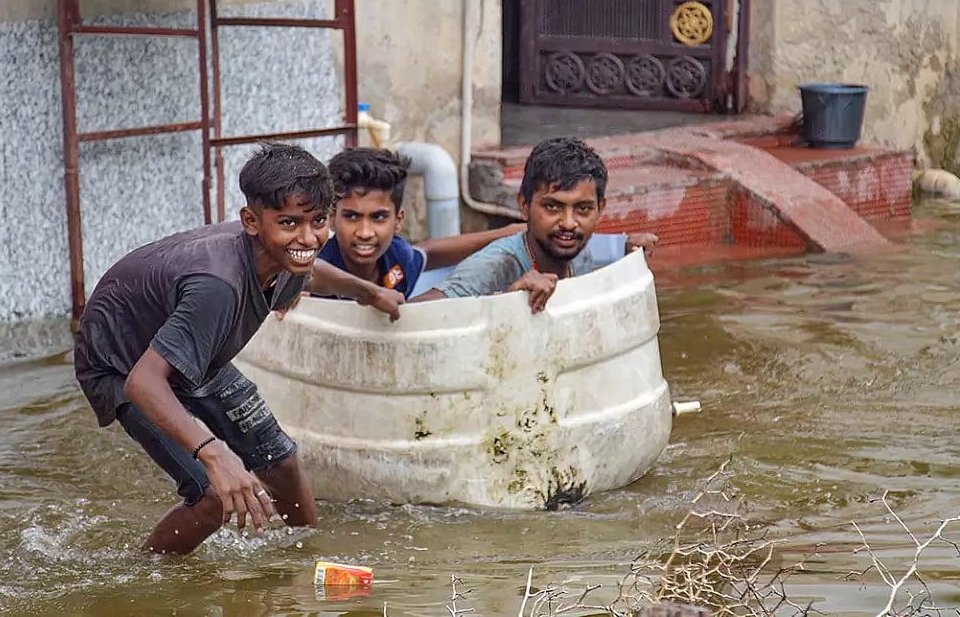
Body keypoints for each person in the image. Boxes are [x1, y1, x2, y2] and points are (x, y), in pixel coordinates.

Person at [72, 142, 404, 555]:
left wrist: (369, 293)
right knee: (214, 495)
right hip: (122, 364)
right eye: (289, 223)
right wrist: (215, 455)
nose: (308, 237)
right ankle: (143, 577)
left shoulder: (290, 255)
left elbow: (312, 270)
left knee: (280, 461)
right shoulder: (218, 285)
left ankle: (306, 563)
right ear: (250, 221)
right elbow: (144, 383)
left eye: (319, 221)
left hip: (197, 353)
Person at [411, 136, 657, 312]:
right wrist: (507, 303)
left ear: (600, 209)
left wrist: (625, 250)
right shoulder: (495, 266)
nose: (569, 223)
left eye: (583, 209)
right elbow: (407, 317)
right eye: (552, 207)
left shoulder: (579, 254)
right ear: (524, 206)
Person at [313, 147, 525, 299]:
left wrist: (504, 234)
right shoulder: (316, 263)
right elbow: (309, 272)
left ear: (398, 221)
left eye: (378, 217)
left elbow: (428, 253)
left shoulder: (397, 257)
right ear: (331, 218)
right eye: (351, 216)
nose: (365, 232)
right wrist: (372, 294)